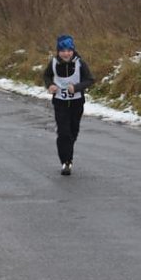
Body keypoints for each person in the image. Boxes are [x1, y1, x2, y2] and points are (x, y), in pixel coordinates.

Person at [43, 35, 95, 175]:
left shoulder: (80, 63)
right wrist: (51, 85)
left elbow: (90, 80)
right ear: (58, 52)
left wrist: (77, 87)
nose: (66, 53)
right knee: (63, 132)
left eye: (69, 50)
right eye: (63, 51)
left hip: (77, 103)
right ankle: (66, 162)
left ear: (73, 50)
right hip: (60, 102)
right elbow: (46, 75)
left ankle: (68, 155)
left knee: (73, 131)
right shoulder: (53, 63)